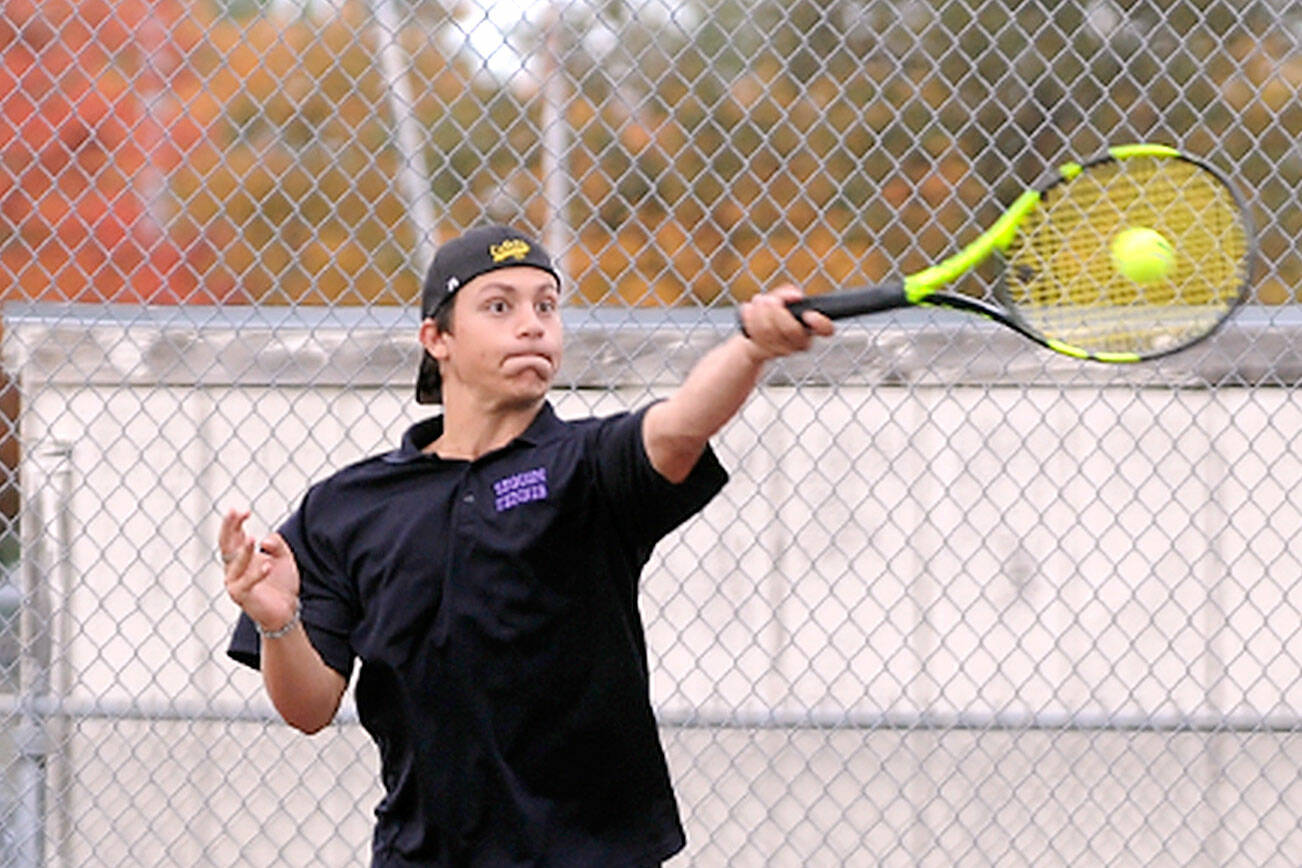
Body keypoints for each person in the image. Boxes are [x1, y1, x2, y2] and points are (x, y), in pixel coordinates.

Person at [223, 224, 833, 867]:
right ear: (437, 339)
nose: (532, 324)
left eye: (547, 305)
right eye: (499, 306)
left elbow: (679, 428)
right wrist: (279, 621)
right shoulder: (347, 506)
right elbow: (310, 708)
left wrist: (749, 349)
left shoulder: (586, 466)